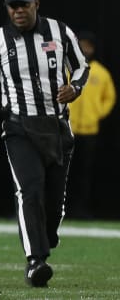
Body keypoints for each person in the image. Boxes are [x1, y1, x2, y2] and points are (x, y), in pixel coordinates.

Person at [0, 0, 89, 288]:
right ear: (7, 9)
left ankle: (46, 237)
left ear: (36, 2)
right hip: (19, 128)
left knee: (53, 204)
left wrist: (75, 88)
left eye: (24, 4)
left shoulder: (60, 32)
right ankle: (35, 261)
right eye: (13, 6)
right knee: (30, 190)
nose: (19, 10)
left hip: (57, 127)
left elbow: (82, 66)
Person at [67, 31, 116, 219]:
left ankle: (80, 210)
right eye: (82, 45)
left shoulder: (101, 73)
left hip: (89, 131)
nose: (85, 49)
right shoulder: (67, 69)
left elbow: (109, 98)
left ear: (93, 49)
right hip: (67, 129)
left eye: (88, 46)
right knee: (62, 172)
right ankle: (59, 208)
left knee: (84, 174)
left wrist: (96, 114)